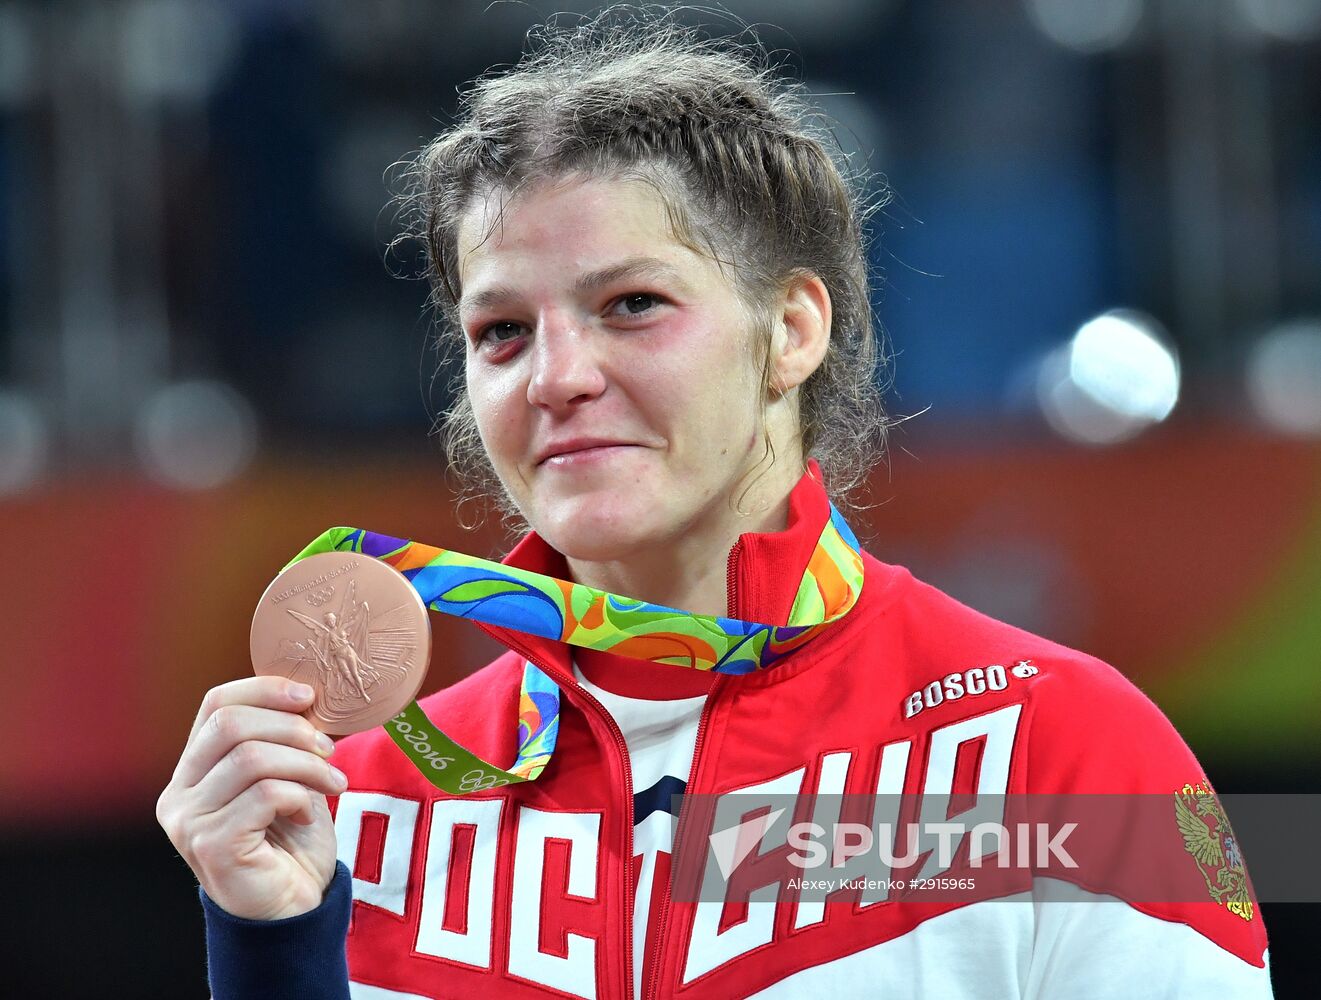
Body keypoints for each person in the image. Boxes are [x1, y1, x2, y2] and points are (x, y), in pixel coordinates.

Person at [156, 12, 1274, 999]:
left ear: (791, 329)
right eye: (501, 332)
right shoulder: (361, 807)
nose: (554, 376)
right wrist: (270, 946)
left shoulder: (1056, 750)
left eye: (632, 304)